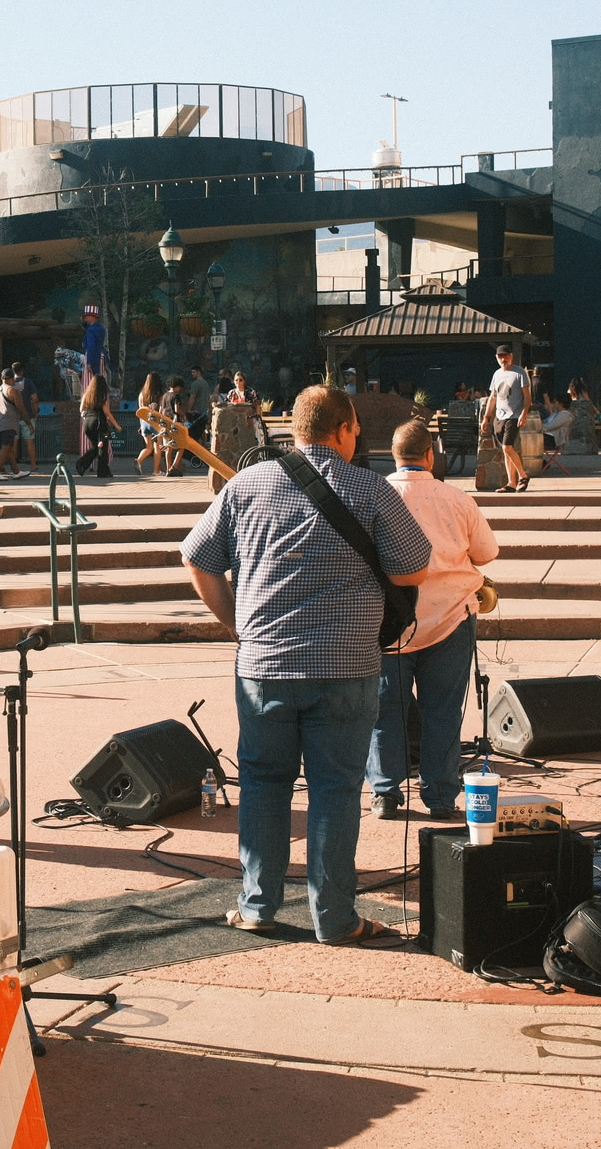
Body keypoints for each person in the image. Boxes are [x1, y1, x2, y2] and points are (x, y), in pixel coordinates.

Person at [181, 385, 431, 945]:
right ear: (344, 430)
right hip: (346, 667)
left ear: (294, 430)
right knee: (336, 791)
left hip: (264, 665)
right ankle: (336, 919)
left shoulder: (246, 484)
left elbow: (197, 559)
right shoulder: (370, 490)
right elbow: (414, 568)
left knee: (265, 785)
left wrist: (236, 625)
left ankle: (257, 906)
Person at [368, 420, 499, 818]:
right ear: (430, 455)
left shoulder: (374, 496)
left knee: (384, 709)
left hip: (389, 621)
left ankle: (386, 793)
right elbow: (486, 553)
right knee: (442, 709)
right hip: (450, 617)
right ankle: (441, 797)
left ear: (393, 454)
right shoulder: (457, 499)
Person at [481, 344, 531, 493]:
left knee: (507, 447)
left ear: (511, 356)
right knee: (506, 451)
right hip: (499, 416)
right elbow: (493, 397)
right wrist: (486, 417)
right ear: (497, 358)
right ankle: (511, 483)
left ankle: (523, 476)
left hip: (513, 415)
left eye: (506, 355)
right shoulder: (496, 374)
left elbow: (527, 396)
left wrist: (524, 413)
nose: (503, 359)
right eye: (500, 356)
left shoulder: (519, 372)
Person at [76, 374, 116, 479]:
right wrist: (117, 425)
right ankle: (102, 472)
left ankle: (83, 464)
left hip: (87, 423)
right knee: (103, 448)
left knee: (96, 447)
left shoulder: (87, 395)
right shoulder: (101, 396)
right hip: (99, 423)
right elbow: (107, 412)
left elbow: (81, 409)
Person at [0, 369, 21, 479]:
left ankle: (16, 472)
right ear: (12, 379)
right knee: (6, 447)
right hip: (8, 423)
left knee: (9, 448)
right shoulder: (12, 390)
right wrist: (29, 423)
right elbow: (21, 407)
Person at [8, 362, 40, 473]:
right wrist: (35, 414)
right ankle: (33, 465)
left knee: (14, 441)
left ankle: (15, 467)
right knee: (29, 441)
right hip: (28, 416)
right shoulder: (28, 382)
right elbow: (35, 399)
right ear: (22, 370)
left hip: (14, 417)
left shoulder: (10, 383)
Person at [134, 371, 167, 476]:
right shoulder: (159, 394)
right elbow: (161, 410)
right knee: (157, 447)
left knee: (148, 447)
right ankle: (156, 471)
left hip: (144, 422)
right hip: (155, 422)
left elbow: (140, 410)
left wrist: (141, 424)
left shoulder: (141, 394)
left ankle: (138, 460)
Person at [80, 305, 106, 390]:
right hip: (101, 357)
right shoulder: (101, 328)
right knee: (100, 381)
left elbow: (91, 347)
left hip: (92, 357)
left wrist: (89, 362)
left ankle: (90, 401)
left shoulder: (91, 330)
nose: (85, 319)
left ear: (92, 317)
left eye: (87, 316)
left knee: (90, 384)